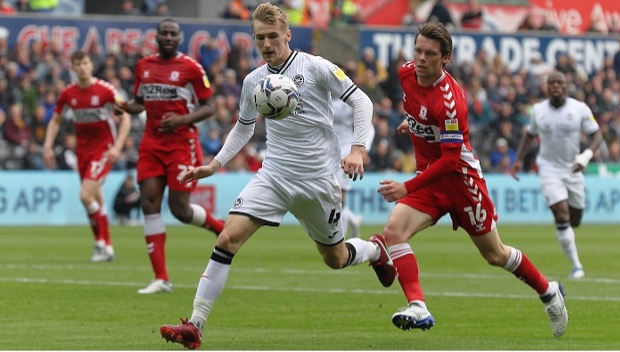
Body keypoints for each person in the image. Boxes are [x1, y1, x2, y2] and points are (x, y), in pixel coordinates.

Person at [158, 3, 394, 349]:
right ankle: (196, 324)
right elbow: (243, 127)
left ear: (287, 34)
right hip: (274, 176)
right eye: (259, 38)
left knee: (335, 258)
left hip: (317, 181)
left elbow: (363, 102)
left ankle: (375, 251)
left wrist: (357, 148)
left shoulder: (316, 67)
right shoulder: (255, 80)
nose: (267, 44)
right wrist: (215, 164)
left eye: (272, 36)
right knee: (226, 239)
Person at [375, 22, 568, 337]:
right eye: (418, 51)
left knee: (495, 254)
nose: (421, 58)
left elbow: (451, 160)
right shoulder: (406, 73)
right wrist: (412, 126)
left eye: (430, 54)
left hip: (462, 183)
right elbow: (418, 110)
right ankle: (418, 306)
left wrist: (405, 187)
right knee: (394, 232)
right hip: (430, 180)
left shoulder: (450, 102)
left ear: (445, 58)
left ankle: (549, 292)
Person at [117, 18, 225, 294]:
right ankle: (161, 277)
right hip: (151, 144)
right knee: (149, 203)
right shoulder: (144, 66)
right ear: (156, 37)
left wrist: (182, 120)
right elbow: (138, 103)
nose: (167, 37)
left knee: (180, 210)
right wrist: (122, 107)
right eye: (163, 33)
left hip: (181, 143)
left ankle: (218, 227)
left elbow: (209, 107)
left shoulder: (190, 68)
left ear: (179, 38)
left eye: (172, 34)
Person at [511, 71, 603, 280]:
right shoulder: (538, 110)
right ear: (547, 87)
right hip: (549, 169)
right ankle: (576, 266)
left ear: (566, 85)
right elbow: (530, 135)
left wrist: (586, 156)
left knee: (575, 219)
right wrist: (518, 159)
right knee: (561, 215)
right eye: (551, 83)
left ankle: (570, 237)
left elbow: (596, 135)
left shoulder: (579, 109)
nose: (556, 86)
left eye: (560, 82)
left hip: (573, 169)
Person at [43, 50, 131, 262]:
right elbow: (55, 120)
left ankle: (100, 242)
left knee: (85, 195)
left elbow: (125, 119)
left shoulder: (106, 91)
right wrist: (47, 145)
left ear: (91, 65)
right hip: (82, 151)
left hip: (103, 150)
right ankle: (107, 246)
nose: (82, 67)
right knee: (95, 199)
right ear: (73, 67)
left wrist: (118, 146)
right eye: (78, 64)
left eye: (85, 63)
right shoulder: (68, 94)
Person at [332, 96, 375, 238]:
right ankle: (353, 219)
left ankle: (340, 239)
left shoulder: (349, 99)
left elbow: (368, 125)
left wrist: (363, 149)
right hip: (324, 152)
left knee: (338, 196)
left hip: (346, 152)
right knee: (328, 195)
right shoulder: (319, 94)